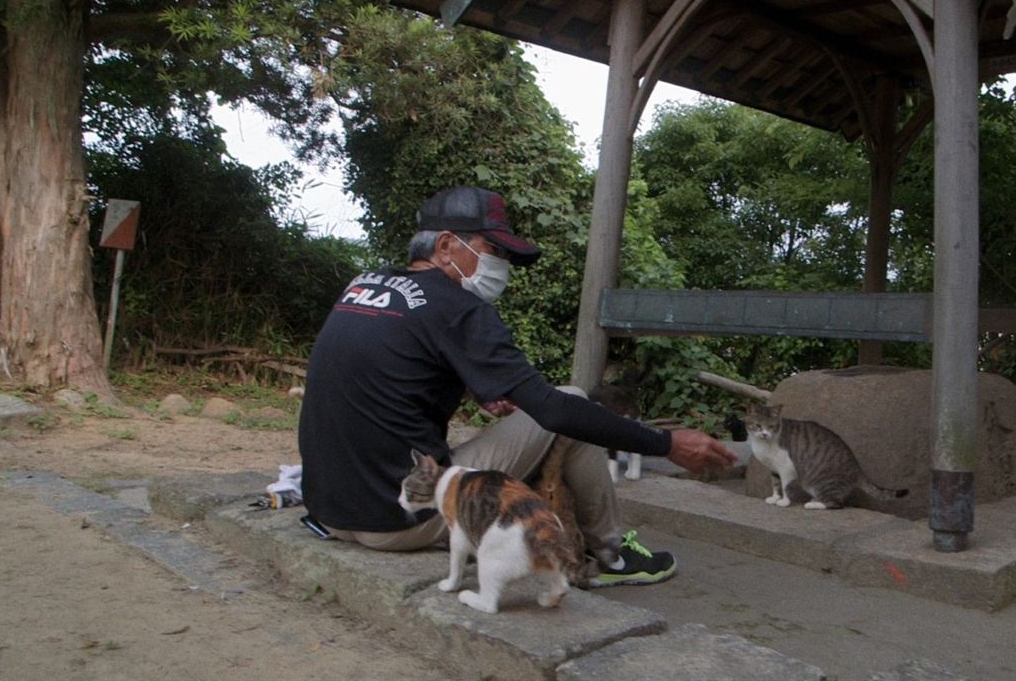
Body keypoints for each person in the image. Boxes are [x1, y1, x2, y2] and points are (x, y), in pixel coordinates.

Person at [298, 185, 737, 586]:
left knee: (554, 413)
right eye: (493, 250)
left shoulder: (364, 285)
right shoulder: (460, 308)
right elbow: (554, 412)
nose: (501, 266)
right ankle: (609, 555)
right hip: (400, 519)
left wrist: (477, 387)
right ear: (448, 245)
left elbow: (385, 369)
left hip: (330, 511)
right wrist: (665, 443)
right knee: (572, 402)